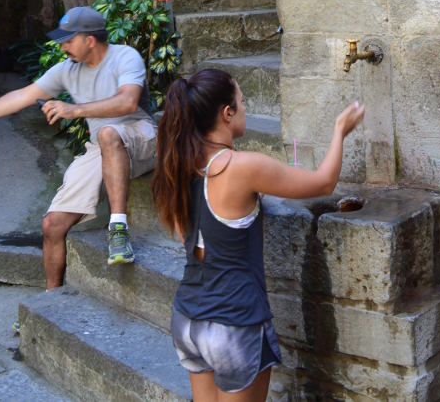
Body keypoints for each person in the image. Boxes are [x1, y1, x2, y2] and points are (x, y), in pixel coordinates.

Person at [152, 67, 365, 402]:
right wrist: (340, 131)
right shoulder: (243, 167)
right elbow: (324, 183)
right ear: (227, 113)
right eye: (243, 101)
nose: (246, 108)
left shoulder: (180, 167)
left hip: (188, 319)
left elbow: (190, 236)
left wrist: (249, 200)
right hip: (234, 323)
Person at [0, 6, 157, 287]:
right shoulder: (67, 70)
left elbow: (128, 102)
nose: (63, 47)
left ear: (90, 40)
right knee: (52, 225)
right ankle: (52, 295)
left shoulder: (125, 57)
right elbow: (22, 96)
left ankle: (118, 228)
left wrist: (74, 110)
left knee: (108, 133)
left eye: (68, 40)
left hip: (141, 135)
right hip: (102, 146)